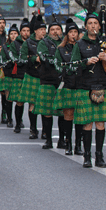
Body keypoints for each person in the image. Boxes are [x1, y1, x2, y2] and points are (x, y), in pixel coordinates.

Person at [70, 12, 106, 168]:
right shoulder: (80, 44)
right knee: (87, 124)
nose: (93, 25)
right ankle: (87, 156)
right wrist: (85, 62)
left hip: (102, 86)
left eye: (95, 23)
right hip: (85, 87)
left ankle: (99, 156)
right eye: (90, 23)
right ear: (86, 26)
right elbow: (72, 65)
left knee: (100, 123)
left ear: (99, 26)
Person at [55, 20, 82, 156]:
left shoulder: (82, 47)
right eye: (71, 32)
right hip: (68, 84)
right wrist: (66, 70)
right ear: (67, 34)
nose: (73, 34)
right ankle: (68, 144)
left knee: (79, 116)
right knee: (68, 115)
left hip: (80, 85)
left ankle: (78, 145)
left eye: (75, 32)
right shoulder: (61, 49)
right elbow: (58, 66)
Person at [35, 18, 62, 150]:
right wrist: (59, 60)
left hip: (63, 80)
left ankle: (63, 139)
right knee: (47, 111)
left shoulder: (65, 43)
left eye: (57, 29)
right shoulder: (43, 43)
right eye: (52, 29)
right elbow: (44, 57)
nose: (55, 31)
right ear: (48, 32)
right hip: (47, 78)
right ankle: (48, 139)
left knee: (63, 111)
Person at [4, 20, 31, 134]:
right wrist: (29, 58)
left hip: (30, 74)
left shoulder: (34, 42)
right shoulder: (15, 44)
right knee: (19, 102)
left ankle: (33, 128)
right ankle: (17, 123)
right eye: (24, 31)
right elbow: (17, 60)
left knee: (31, 102)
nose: (26, 33)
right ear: (21, 32)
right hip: (19, 75)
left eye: (28, 30)